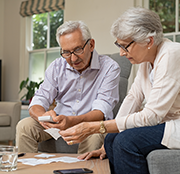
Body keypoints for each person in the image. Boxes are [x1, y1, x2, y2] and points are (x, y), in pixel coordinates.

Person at [59, 7, 180, 174]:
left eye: (125, 46)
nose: (122, 53)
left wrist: (95, 127)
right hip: (165, 123)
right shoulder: (146, 61)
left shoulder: (172, 54)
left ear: (149, 41)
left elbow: (152, 116)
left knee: (125, 142)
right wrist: (105, 142)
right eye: (119, 45)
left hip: (176, 125)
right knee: (111, 139)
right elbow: (133, 98)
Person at [16, 20, 120, 154]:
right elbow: (39, 99)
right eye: (66, 52)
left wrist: (70, 121)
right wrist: (44, 116)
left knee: (95, 135)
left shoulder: (110, 68)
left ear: (91, 45)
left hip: (90, 125)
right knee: (25, 126)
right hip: (59, 123)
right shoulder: (56, 66)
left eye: (77, 50)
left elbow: (100, 112)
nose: (73, 59)